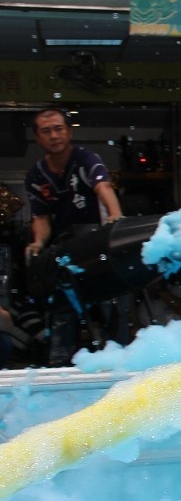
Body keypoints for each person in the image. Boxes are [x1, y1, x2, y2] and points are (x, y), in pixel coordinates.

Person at [24, 108, 124, 365]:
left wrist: (115, 215)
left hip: (95, 241)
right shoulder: (36, 174)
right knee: (62, 307)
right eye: (46, 131)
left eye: (59, 129)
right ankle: (58, 362)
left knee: (106, 305)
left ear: (68, 132)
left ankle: (114, 358)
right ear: (37, 137)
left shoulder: (86, 159)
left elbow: (103, 186)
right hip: (64, 248)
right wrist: (38, 242)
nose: (54, 135)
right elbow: (41, 217)